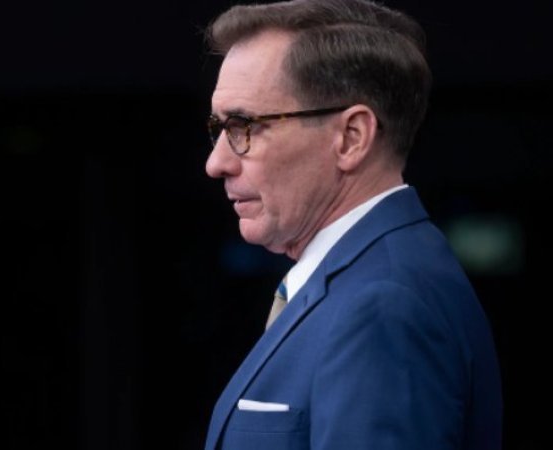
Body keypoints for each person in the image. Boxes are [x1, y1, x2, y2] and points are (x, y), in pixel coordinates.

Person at [202, 1, 502, 449]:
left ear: (351, 137)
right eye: (218, 128)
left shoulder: (384, 306)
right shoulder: (375, 283)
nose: (216, 163)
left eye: (243, 126)